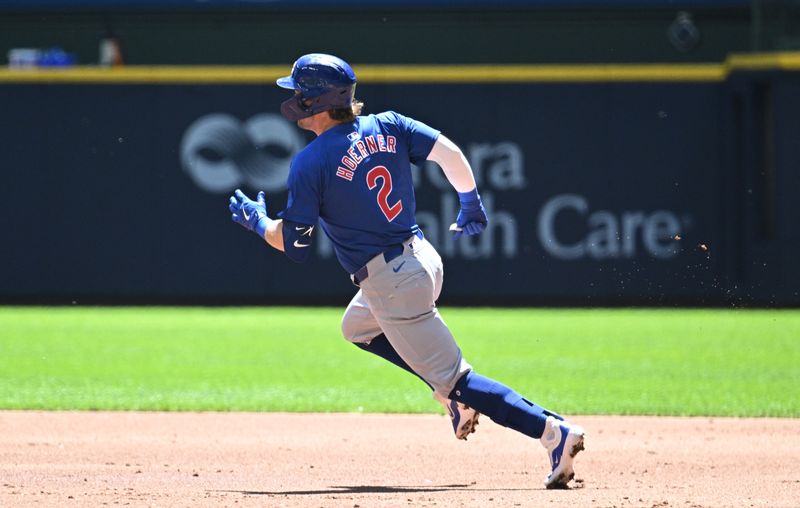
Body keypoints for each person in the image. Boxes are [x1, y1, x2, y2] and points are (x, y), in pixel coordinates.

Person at [228, 53, 585, 489]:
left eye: (300, 92)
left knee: (460, 379)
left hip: (392, 283)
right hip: (421, 259)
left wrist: (258, 223)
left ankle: (552, 432)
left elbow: (294, 245)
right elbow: (449, 153)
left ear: (313, 102)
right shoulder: (389, 123)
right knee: (357, 327)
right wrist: (470, 201)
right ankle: (451, 396)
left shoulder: (311, 162)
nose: (294, 98)